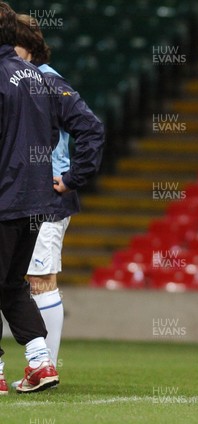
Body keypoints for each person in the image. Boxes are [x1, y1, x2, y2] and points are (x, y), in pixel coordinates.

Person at [10, 13, 105, 387]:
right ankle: (40, 365)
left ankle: (44, 367)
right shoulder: (21, 79)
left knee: (40, 279)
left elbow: (90, 128)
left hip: (46, 197)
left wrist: (70, 179)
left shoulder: (47, 81)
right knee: (24, 279)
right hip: (23, 194)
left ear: (29, 48)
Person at [0, 1, 66, 394]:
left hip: (6, 196)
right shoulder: (42, 79)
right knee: (11, 285)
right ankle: (41, 361)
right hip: (35, 200)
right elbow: (66, 131)